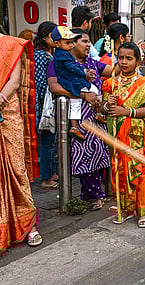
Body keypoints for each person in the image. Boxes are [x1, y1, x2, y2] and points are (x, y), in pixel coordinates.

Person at [47, 29, 113, 211]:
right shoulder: (58, 63)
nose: (89, 45)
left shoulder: (93, 63)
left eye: (89, 41)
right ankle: (94, 195)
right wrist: (83, 95)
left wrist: (125, 56)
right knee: (84, 157)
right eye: (84, 41)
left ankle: (93, 193)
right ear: (72, 43)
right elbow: (54, 87)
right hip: (78, 119)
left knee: (100, 155)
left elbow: (114, 70)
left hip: (98, 117)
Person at [101, 42, 145, 227]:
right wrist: (107, 104)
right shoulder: (110, 83)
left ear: (138, 60)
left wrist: (125, 112)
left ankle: (143, 211)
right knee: (119, 171)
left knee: (138, 172)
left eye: (129, 58)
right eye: (121, 58)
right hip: (117, 135)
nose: (124, 62)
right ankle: (126, 209)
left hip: (137, 135)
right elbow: (104, 110)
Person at [0, 33, 42, 252]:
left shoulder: (11, 45)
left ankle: (28, 226)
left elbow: (14, 81)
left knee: (17, 169)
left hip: (7, 113)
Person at [51, 26, 99, 142]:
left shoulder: (64, 54)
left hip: (71, 84)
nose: (71, 45)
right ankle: (97, 112)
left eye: (72, 42)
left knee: (75, 102)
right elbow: (71, 68)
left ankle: (74, 126)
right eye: (68, 42)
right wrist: (84, 74)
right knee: (94, 89)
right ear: (57, 44)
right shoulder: (62, 56)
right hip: (72, 83)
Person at [33, 21, 58, 190]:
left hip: (48, 104)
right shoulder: (41, 55)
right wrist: (49, 100)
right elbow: (41, 83)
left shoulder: (49, 54)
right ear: (45, 37)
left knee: (51, 141)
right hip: (44, 106)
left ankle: (52, 172)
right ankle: (46, 178)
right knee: (47, 141)